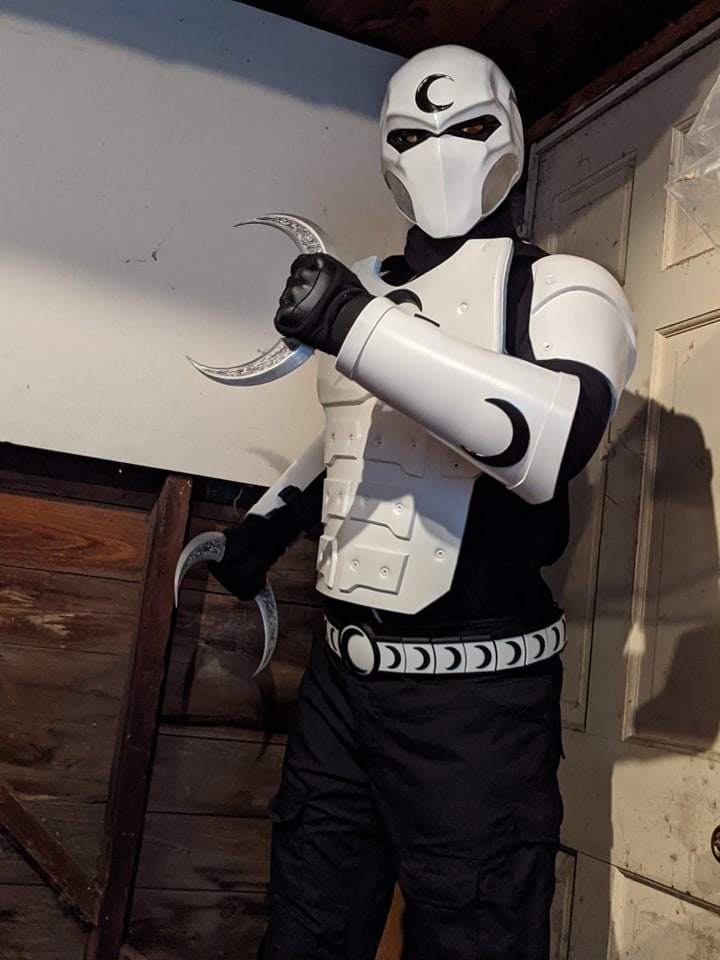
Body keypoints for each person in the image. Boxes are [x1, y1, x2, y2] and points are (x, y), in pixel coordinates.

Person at [205, 45, 635, 960]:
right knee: (304, 932)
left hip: (476, 704)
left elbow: (551, 442)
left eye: (468, 126)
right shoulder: (368, 281)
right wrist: (265, 528)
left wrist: (356, 325)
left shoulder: (564, 286)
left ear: (509, 131)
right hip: (339, 683)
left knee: (475, 938)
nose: (440, 150)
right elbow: (354, 435)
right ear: (385, 149)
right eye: (411, 133)